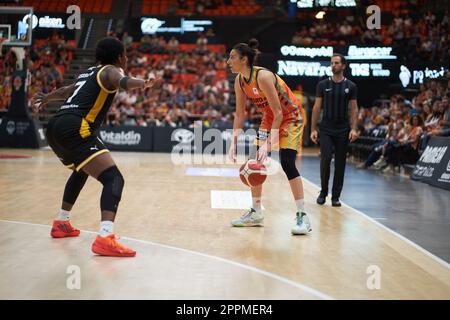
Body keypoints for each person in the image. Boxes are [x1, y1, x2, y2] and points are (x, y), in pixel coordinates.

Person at [32, 37, 161, 257]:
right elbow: (122, 81)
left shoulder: (88, 73)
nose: (127, 58)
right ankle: (105, 236)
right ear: (120, 57)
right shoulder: (110, 71)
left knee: (81, 170)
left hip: (56, 125)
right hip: (75, 126)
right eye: (125, 55)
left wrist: (46, 98)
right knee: (114, 178)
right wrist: (143, 82)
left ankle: (61, 221)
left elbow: (65, 91)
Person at [227, 39, 310, 235]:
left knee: (288, 162)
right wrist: (234, 142)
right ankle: (256, 212)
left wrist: (269, 145)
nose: (228, 61)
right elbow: (239, 114)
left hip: (290, 117)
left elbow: (280, 113)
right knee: (255, 161)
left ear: (244, 59)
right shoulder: (240, 81)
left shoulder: (263, 76)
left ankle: (302, 216)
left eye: (232, 57)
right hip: (269, 118)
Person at [310, 53, 359, 207]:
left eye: (337, 63)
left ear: (343, 66)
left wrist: (354, 128)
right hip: (325, 129)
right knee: (325, 159)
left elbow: (354, 109)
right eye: (332, 63)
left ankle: (335, 196)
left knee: (340, 163)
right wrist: (313, 129)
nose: (333, 65)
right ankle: (323, 192)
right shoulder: (322, 84)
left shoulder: (351, 86)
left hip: (343, 130)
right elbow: (317, 107)